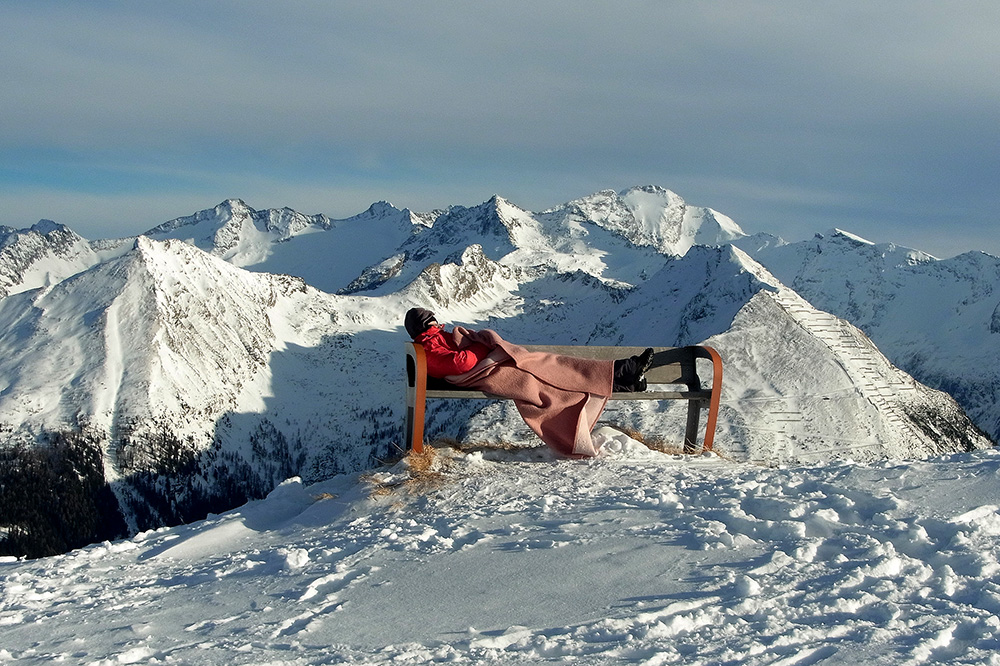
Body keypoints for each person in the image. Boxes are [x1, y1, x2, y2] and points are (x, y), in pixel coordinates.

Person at [404, 307, 653, 458]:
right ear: (426, 324)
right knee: (552, 383)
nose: (437, 323)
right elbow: (462, 364)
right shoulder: (429, 347)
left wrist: (482, 345)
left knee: (555, 366)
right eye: (432, 320)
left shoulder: (437, 339)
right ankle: (626, 375)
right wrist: (483, 348)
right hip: (491, 373)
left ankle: (627, 375)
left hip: (497, 364)